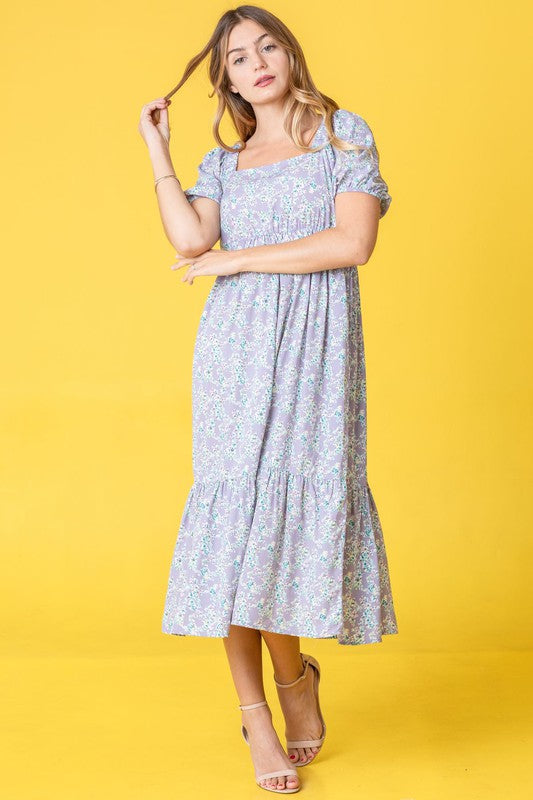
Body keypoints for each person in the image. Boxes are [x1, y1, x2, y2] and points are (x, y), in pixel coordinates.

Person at [138, 5, 399, 794]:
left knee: (276, 533)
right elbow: (189, 242)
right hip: (233, 358)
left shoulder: (342, 134)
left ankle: (296, 684)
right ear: (225, 79)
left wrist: (238, 259)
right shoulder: (225, 164)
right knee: (235, 533)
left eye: (266, 45)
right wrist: (157, 147)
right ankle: (257, 715)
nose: (255, 62)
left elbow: (350, 244)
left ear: (289, 53)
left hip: (317, 357)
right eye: (237, 57)